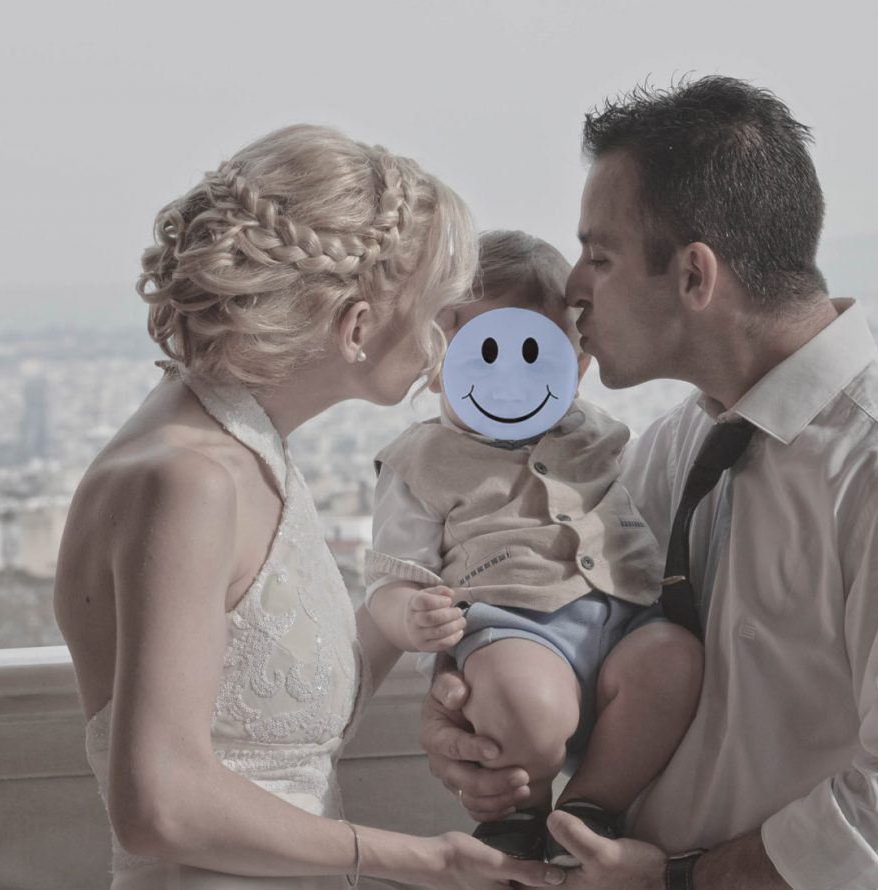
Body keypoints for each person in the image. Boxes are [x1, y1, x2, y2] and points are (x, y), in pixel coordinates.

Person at [420, 77, 878, 889]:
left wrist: (684, 879)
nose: (574, 290)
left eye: (600, 257)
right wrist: (468, 711)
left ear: (695, 276)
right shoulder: (673, 450)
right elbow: (577, 632)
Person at [53, 124, 565, 890]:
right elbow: (159, 804)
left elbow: (272, 722)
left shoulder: (247, 453)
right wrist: (430, 860)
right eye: (435, 312)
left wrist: (406, 615)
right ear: (356, 327)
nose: (442, 347)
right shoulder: (189, 480)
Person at [364, 231, 704, 865]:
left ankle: (589, 808)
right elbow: (392, 573)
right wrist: (409, 616)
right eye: (483, 355)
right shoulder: (421, 460)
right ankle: (523, 810)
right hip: (514, 628)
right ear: (438, 364)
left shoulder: (602, 435)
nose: (509, 381)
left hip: (628, 623)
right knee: (526, 704)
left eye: (535, 356)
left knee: (675, 661)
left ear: (576, 367)